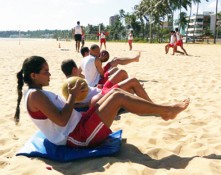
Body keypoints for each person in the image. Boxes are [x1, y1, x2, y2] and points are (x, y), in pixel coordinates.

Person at [14, 56, 190, 148]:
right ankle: (166, 111)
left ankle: (163, 110)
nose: (50, 74)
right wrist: (73, 96)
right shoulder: (35, 95)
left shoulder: (37, 93)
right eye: (46, 72)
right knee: (118, 97)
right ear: (33, 75)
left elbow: (63, 115)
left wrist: (76, 100)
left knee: (115, 92)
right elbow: (61, 120)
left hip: (79, 123)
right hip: (77, 136)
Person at [61, 59, 152, 109]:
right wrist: (86, 104)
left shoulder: (67, 86)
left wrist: (96, 87)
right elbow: (81, 103)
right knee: (132, 80)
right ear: (74, 69)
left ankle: (131, 90)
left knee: (121, 72)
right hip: (103, 94)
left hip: (101, 90)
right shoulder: (75, 83)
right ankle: (152, 106)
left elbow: (72, 102)